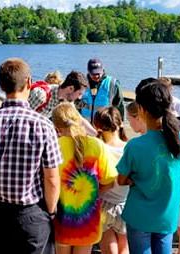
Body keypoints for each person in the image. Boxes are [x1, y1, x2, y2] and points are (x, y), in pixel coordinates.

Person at [0, 58, 62, 254]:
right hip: (31, 214)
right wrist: (51, 212)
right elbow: (51, 179)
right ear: (29, 83)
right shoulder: (43, 126)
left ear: (1, 85)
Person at [117, 81, 180, 254]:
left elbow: (121, 179)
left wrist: (134, 179)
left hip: (140, 215)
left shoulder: (135, 145)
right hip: (167, 213)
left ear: (141, 109)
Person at [52, 102, 118, 254]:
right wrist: (94, 193)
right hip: (89, 220)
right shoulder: (97, 145)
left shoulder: (55, 145)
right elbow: (110, 181)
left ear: (56, 127)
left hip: (62, 220)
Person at [93, 107, 129, 254]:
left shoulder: (100, 148)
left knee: (109, 248)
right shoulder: (129, 148)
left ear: (98, 126)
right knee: (124, 247)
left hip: (103, 204)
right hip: (125, 204)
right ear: (120, 123)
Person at [29, 71, 97, 136]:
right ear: (71, 88)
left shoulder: (67, 102)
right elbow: (21, 116)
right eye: (79, 93)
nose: (80, 98)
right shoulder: (41, 95)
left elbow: (79, 119)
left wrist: (96, 135)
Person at [79, 58, 125, 123]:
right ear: (88, 71)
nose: (96, 76)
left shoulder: (113, 84)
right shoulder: (82, 83)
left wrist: (120, 124)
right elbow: (77, 104)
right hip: (85, 126)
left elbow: (119, 106)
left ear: (103, 70)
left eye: (98, 73)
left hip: (105, 125)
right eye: (93, 74)